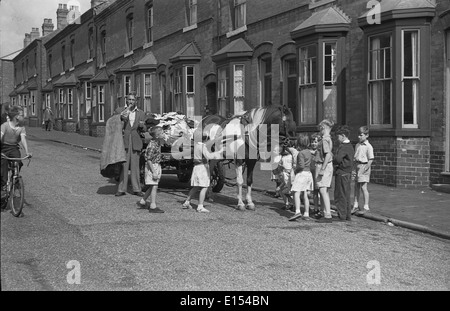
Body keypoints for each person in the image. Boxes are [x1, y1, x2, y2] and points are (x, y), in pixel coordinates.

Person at [115, 92, 147, 197]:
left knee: (135, 166)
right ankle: (121, 189)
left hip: (135, 141)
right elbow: (113, 124)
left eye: (133, 100)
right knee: (124, 165)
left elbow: (145, 129)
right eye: (129, 100)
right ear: (126, 100)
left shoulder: (141, 113)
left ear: (136, 101)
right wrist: (121, 117)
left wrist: (142, 126)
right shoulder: (120, 111)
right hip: (124, 141)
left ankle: (136, 189)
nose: (131, 102)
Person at [182, 128, 221, 213]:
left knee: (196, 186)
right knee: (204, 187)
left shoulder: (196, 145)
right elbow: (208, 156)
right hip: (202, 168)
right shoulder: (203, 146)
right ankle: (200, 206)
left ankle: (187, 202)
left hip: (196, 167)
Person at [1, 106, 32, 199]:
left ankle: (15, 180)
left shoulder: (21, 127)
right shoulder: (5, 126)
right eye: (22, 115)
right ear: (16, 117)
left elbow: (23, 139)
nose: (24, 116)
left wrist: (27, 152)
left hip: (14, 147)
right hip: (3, 148)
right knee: (3, 165)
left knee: (19, 162)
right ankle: (3, 186)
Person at [137, 126, 165, 213]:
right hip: (152, 166)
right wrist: (154, 172)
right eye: (162, 133)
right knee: (154, 186)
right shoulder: (152, 145)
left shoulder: (157, 143)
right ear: (157, 136)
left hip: (156, 165)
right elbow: (148, 159)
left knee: (152, 185)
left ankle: (143, 201)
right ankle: (153, 206)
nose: (164, 134)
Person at [289, 133, 313, 221]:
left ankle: (297, 211)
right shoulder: (309, 152)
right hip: (308, 174)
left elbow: (301, 165)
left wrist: (296, 170)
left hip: (302, 173)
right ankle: (306, 213)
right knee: (305, 194)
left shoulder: (300, 153)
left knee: (296, 192)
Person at [333, 125, 354, 221]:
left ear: (343, 135)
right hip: (348, 172)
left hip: (341, 172)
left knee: (340, 194)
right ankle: (347, 215)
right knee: (346, 194)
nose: (337, 139)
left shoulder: (343, 147)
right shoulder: (350, 146)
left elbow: (337, 159)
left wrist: (333, 158)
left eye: (338, 137)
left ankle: (341, 215)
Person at [315, 119, 334, 223]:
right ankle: (324, 212)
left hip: (323, 165)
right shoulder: (327, 139)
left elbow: (327, 154)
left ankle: (327, 214)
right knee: (323, 189)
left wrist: (322, 169)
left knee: (323, 189)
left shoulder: (325, 140)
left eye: (320, 129)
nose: (320, 131)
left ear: (323, 128)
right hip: (324, 165)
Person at [352, 126, 374, 214]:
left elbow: (371, 158)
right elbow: (355, 156)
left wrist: (366, 167)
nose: (359, 137)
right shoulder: (357, 145)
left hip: (364, 166)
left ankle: (366, 206)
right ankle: (355, 205)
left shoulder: (368, 146)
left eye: (361, 135)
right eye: (358, 135)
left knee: (363, 187)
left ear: (366, 135)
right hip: (357, 166)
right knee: (356, 187)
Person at [276, 138, 297, 210]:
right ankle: (287, 204)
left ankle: (293, 204)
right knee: (281, 190)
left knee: (289, 191)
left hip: (290, 175)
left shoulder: (292, 156)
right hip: (284, 174)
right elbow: (280, 165)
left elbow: (293, 166)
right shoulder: (282, 156)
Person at [309, 133, 321, 217]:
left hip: (318, 173)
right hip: (312, 172)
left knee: (320, 191)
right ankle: (316, 207)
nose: (314, 144)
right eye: (312, 142)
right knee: (314, 192)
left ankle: (321, 209)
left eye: (316, 142)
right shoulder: (310, 151)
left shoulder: (319, 151)